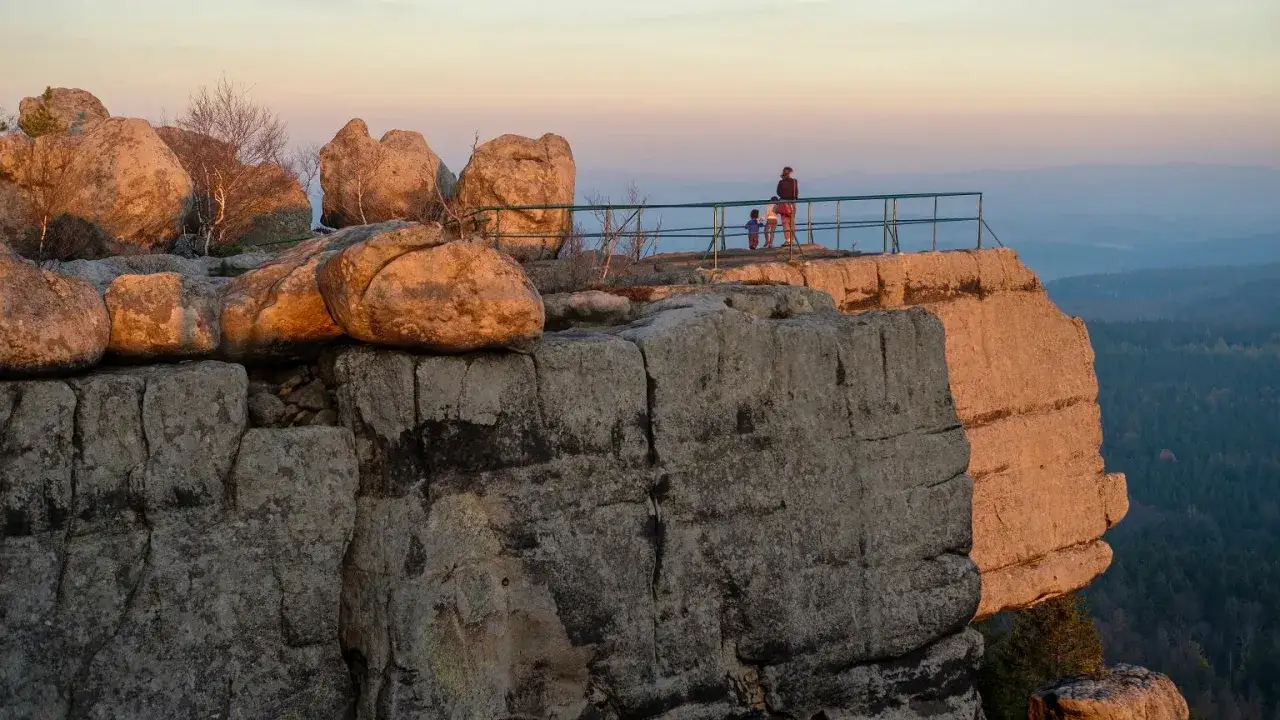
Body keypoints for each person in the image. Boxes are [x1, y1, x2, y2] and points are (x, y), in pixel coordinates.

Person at [776, 167, 799, 245]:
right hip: (793, 202)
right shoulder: (794, 181)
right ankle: (792, 239)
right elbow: (796, 192)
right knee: (792, 221)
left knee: (785, 221)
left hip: (784, 202)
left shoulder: (781, 182)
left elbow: (778, 192)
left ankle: (788, 239)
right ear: (790, 173)